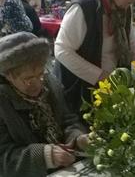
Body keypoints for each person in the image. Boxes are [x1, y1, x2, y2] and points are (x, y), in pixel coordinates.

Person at [0, 32, 88, 177]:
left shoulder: (51, 83)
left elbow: (69, 119)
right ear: (8, 76)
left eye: (41, 74)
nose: (38, 84)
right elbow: (3, 158)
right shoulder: (3, 102)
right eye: (28, 79)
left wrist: (78, 138)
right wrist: (45, 156)